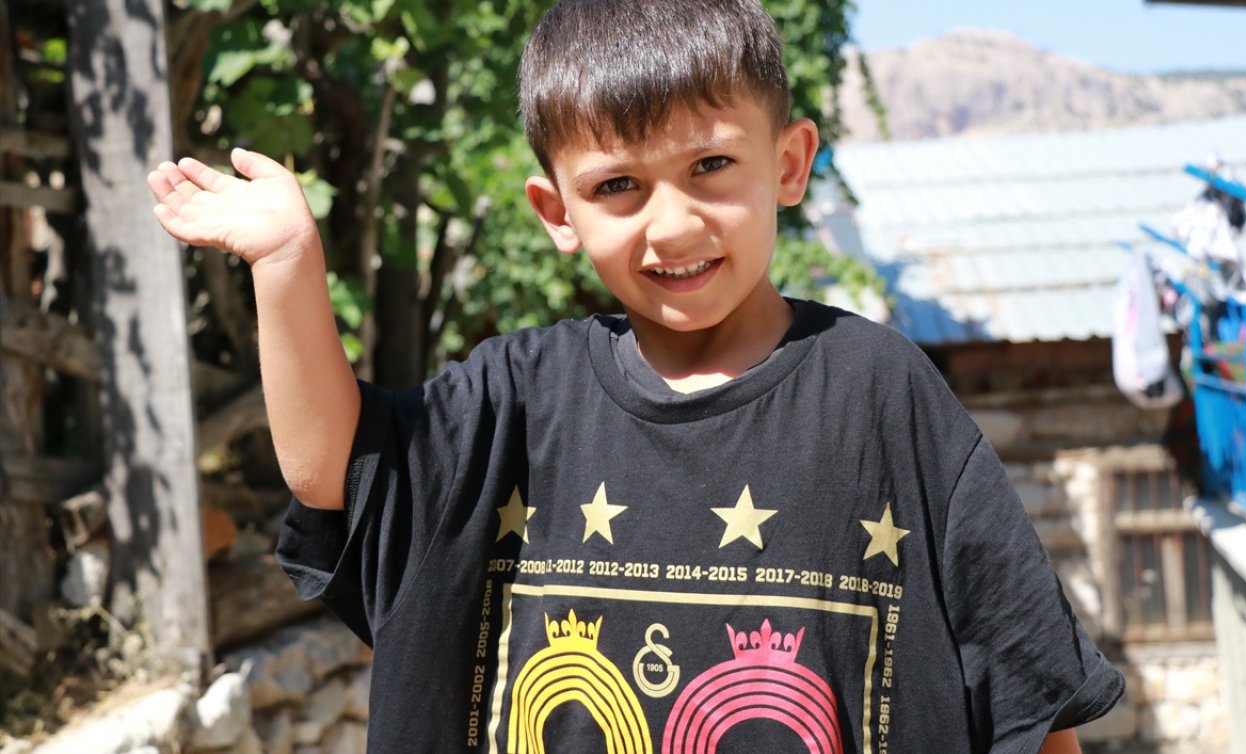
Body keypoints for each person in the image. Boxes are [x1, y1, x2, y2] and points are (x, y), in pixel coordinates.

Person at [148, 1, 1123, 751]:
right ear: (556, 211)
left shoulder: (880, 394)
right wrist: (288, 268)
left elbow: (1028, 704)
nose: (673, 224)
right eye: (618, 185)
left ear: (788, 163)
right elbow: (333, 474)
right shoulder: (514, 397)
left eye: (711, 166)